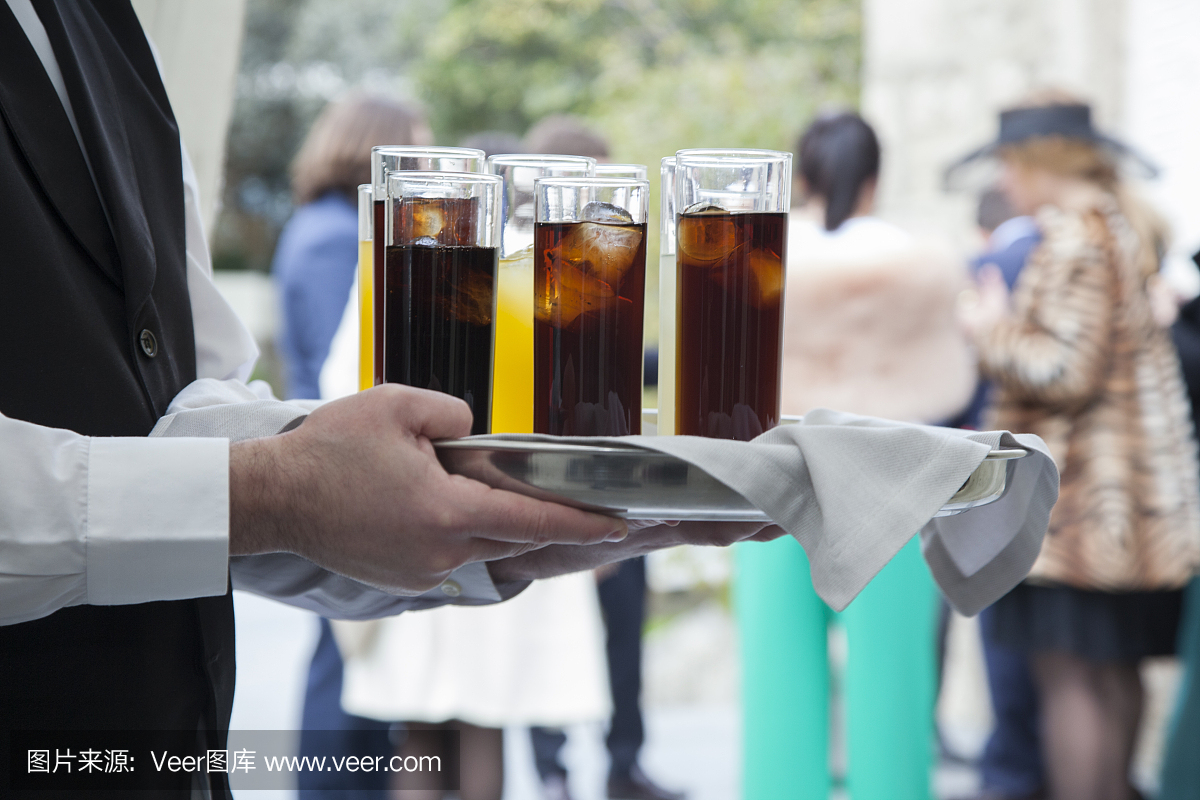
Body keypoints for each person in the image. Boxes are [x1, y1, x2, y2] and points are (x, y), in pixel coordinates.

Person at [0, 4, 782, 797]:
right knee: (440, 725)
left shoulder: (111, 31)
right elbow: (248, 461)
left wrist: (474, 517)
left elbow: (188, 405)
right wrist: (275, 490)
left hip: (170, 752)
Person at [954, 91, 1200, 800]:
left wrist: (989, 329)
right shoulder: (1117, 226)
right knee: (1107, 672)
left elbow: (1066, 370)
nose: (1001, 180)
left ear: (1038, 160)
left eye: (1007, 161)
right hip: (1120, 505)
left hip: (1079, 506)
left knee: (1070, 677)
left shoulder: (1076, 237)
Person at [738, 110, 974, 800]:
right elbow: (950, 383)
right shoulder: (920, 261)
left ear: (803, 174)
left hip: (777, 471)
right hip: (892, 476)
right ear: (875, 176)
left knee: (778, 678)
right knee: (892, 680)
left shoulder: (763, 257)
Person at [521, 115, 684, 800]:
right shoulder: (533, 255)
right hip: (557, 470)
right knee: (552, 629)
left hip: (608, 464)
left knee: (622, 632)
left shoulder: (602, 249)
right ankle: (556, 767)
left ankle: (622, 762)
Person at [963, 187, 1045, 800]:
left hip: (999, 461)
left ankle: (1012, 769)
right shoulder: (1064, 253)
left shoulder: (988, 269)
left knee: (1004, 625)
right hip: (1065, 471)